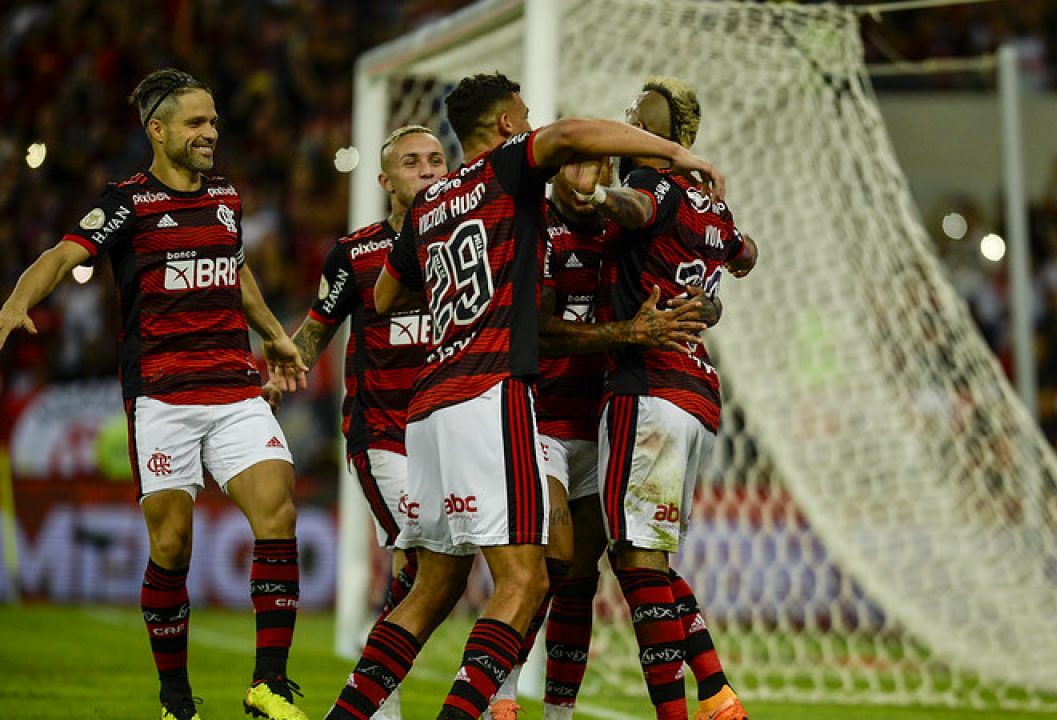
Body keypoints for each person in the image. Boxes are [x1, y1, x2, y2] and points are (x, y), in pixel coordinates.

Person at [324, 72, 725, 720]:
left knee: (432, 588)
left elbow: (385, 297)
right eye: (526, 113)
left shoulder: (430, 204)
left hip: (426, 405)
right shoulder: (504, 169)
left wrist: (458, 290)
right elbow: (566, 136)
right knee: (526, 580)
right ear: (508, 125)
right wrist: (677, 155)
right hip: (489, 392)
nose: (534, 120)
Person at [0, 69, 310, 720]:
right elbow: (62, 254)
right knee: (172, 547)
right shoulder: (127, 202)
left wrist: (276, 336)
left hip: (233, 389)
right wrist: (15, 301)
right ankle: (175, 699)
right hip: (163, 396)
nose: (210, 133)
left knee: (278, 512)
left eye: (215, 122)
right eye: (196, 123)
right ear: (158, 130)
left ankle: (269, 686)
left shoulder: (226, 195)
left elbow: (237, 267)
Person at [486, 163, 711, 720]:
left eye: (598, 167)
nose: (586, 178)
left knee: (582, 580)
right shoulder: (533, 227)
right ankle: (503, 695)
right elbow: (535, 327)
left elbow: (693, 280)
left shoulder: (624, 232)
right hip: (538, 419)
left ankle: (559, 712)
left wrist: (704, 304)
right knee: (553, 562)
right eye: (575, 166)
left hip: (603, 423)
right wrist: (627, 334)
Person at [264, 125, 449, 720]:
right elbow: (317, 327)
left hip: (451, 433)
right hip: (383, 433)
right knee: (424, 560)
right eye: (411, 162)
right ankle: (378, 701)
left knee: (426, 569)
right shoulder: (356, 253)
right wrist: (283, 373)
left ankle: (378, 689)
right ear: (385, 180)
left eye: (436, 160)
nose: (426, 170)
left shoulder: (467, 248)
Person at [586, 77, 754, 720]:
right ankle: (714, 692)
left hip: (647, 385)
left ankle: (691, 707)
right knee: (643, 557)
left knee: (636, 560)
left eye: (640, 114)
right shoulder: (711, 205)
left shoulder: (654, 185)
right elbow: (746, 254)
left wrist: (599, 195)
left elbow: (637, 211)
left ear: (669, 135)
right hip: (695, 397)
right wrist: (717, 286)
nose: (628, 117)